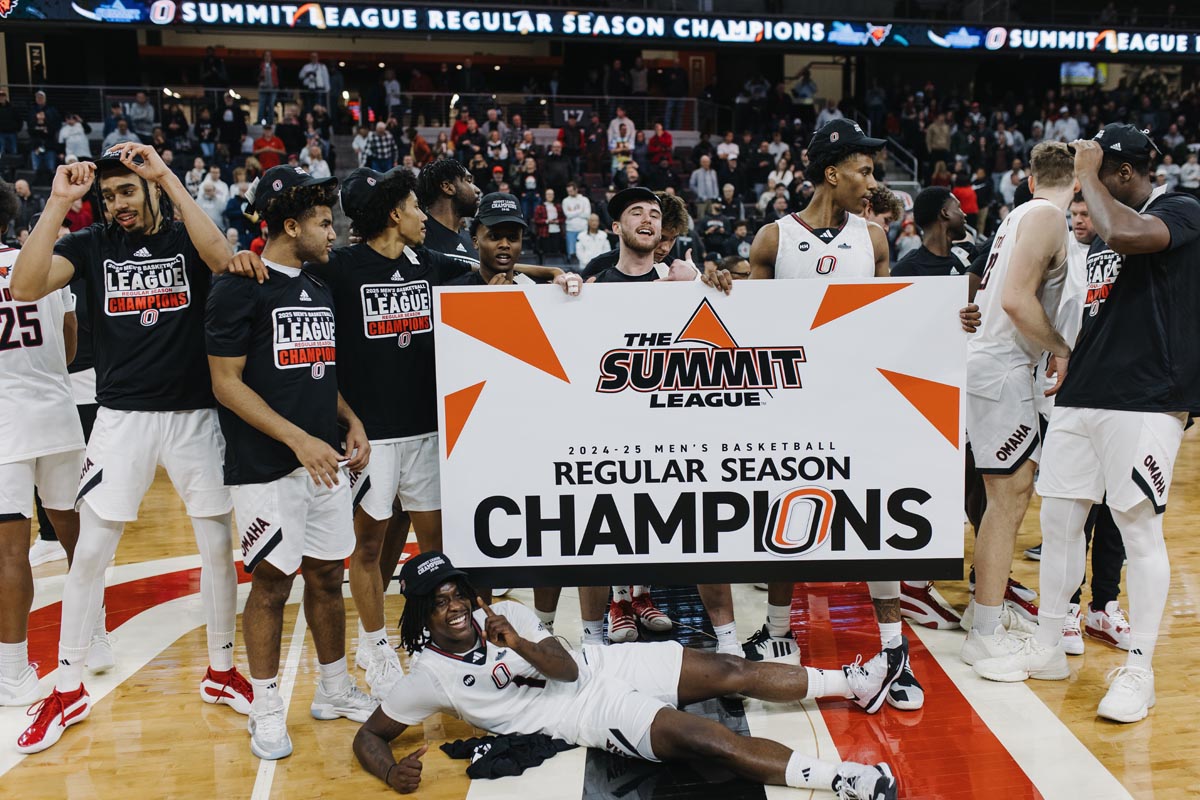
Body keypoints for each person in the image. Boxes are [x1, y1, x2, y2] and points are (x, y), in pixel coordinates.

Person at [11, 143, 254, 754]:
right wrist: (61, 201)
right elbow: (23, 285)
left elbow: (225, 258)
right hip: (121, 419)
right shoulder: (90, 246)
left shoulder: (184, 238)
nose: (117, 203)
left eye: (127, 191)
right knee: (91, 551)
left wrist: (166, 176)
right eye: (108, 194)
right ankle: (67, 688)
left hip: (196, 415)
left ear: (148, 189)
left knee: (217, 546)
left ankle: (222, 671)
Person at [748, 120, 980, 712]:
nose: (872, 181)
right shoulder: (773, 240)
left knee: (875, 527)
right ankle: (778, 631)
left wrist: (949, 321)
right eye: (865, 170)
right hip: (794, 407)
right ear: (833, 172)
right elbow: (748, 336)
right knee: (787, 516)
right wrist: (723, 286)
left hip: (861, 406)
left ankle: (892, 650)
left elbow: (891, 326)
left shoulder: (873, 239)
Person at [353, 552, 903, 799]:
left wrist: (516, 640)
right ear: (421, 613)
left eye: (457, 594)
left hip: (599, 666)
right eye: (438, 601)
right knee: (704, 738)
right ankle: (841, 780)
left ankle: (854, 684)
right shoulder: (426, 676)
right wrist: (387, 772)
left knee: (730, 668)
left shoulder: (506, 616)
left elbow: (567, 666)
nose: (453, 608)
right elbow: (369, 735)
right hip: (579, 714)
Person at [973, 125, 1200, 724]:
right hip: (1084, 393)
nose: (1080, 186)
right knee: (1059, 517)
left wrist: (1088, 177)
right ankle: (1049, 645)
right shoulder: (1100, 228)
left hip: (1147, 398)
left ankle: (1140, 671)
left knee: (1137, 528)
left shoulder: (1177, 209)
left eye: (1092, 172)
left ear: (1121, 174)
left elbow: (1128, 232)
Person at [206, 165, 376, 760]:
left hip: (322, 461)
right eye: (325, 223)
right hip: (265, 466)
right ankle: (266, 705)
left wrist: (348, 419)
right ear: (289, 225)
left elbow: (316, 372)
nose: (334, 233)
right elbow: (226, 384)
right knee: (273, 585)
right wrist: (298, 440)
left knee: (329, 576)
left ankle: (332, 688)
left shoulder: (319, 286)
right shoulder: (237, 286)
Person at [958, 142, 1077, 669]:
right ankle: (983, 629)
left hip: (1003, 365)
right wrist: (1060, 346)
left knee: (1010, 497)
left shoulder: (1019, 214)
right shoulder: (1051, 217)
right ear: (1078, 182)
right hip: (1003, 367)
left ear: (1029, 179)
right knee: (1006, 502)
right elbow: (1013, 299)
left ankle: (980, 615)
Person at [1024, 192, 1131, 657]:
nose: (1080, 220)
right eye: (1076, 213)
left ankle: (1102, 605)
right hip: (1063, 395)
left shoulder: (1125, 254)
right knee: (1073, 509)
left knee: (1116, 512)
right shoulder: (1057, 252)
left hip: (1122, 397)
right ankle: (1066, 608)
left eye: (1088, 213)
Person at [0, 183, 86, 707]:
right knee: (79, 538)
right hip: (56, 413)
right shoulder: (48, 263)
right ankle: (91, 637)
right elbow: (72, 346)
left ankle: (11, 672)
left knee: (11, 552)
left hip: (3, 424)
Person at [562, 181, 591, 264]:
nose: (569, 193)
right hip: (570, 229)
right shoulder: (565, 201)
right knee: (571, 251)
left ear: (576, 190)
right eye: (568, 191)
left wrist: (573, 213)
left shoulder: (584, 200)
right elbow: (567, 215)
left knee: (583, 249)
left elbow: (587, 214)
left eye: (571, 191)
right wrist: (580, 211)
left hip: (583, 228)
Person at [256, 51, 279, 125]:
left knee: (271, 105)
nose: (267, 57)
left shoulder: (275, 66)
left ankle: (270, 122)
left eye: (269, 55)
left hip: (273, 88)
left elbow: (278, 76)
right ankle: (259, 121)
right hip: (263, 88)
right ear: (264, 57)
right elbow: (256, 75)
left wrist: (277, 86)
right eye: (266, 55)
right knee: (261, 105)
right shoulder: (260, 65)